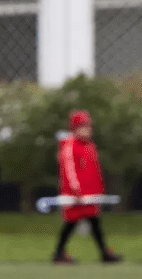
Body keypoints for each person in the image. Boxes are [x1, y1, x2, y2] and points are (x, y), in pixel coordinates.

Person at [52, 110, 122, 264]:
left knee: (94, 223)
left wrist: (98, 191)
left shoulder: (90, 146)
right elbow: (69, 171)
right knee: (71, 223)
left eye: (89, 127)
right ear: (75, 128)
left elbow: (95, 171)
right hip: (76, 196)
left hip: (89, 195)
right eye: (83, 127)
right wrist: (76, 191)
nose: (87, 130)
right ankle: (58, 253)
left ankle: (104, 253)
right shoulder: (70, 146)